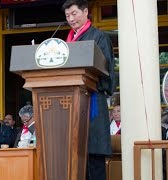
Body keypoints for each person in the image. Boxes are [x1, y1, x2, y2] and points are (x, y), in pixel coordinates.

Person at [63, 0, 115, 179]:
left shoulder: (99, 37)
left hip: (92, 99)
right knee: (77, 161)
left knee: (94, 157)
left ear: (85, 12)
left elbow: (105, 69)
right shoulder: (67, 42)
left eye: (74, 13)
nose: (71, 19)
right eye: (67, 15)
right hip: (72, 102)